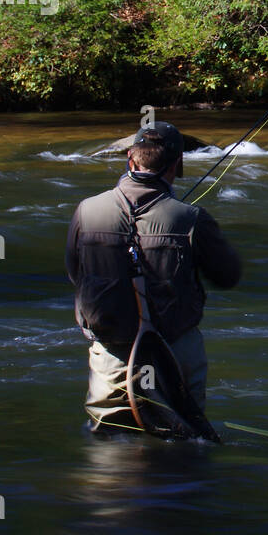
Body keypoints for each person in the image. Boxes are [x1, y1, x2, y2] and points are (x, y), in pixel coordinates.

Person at [66, 121, 241, 434]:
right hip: (176, 355)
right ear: (177, 165)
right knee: (183, 444)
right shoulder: (192, 218)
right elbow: (228, 275)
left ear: (131, 159)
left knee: (113, 446)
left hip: (111, 356)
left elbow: (74, 272)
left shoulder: (86, 211)